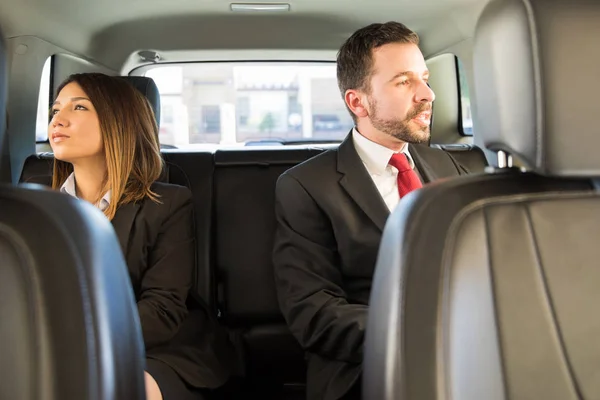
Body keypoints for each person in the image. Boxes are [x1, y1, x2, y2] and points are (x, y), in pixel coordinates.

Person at [273, 22, 470, 400]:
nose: (427, 94)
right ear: (357, 102)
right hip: (367, 368)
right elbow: (313, 311)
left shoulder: (453, 168)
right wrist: (422, 334)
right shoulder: (305, 186)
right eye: (403, 82)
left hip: (469, 356)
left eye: (425, 79)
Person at [49, 73, 233, 400]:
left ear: (119, 122)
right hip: (51, 341)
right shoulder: (40, 207)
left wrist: (78, 341)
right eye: (55, 110)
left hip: (154, 346)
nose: (58, 120)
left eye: (78, 108)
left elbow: (161, 310)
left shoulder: (168, 205)